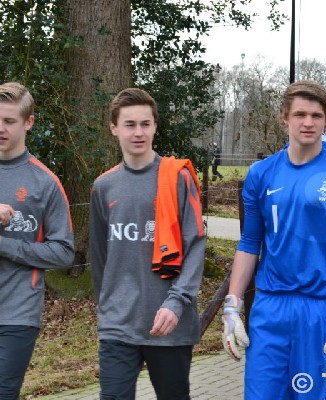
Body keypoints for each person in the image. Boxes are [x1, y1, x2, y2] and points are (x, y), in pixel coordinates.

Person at [221, 80, 326, 399]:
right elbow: (249, 243)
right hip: (269, 308)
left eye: (316, 115)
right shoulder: (261, 174)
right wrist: (232, 306)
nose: (308, 122)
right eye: (300, 114)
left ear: (325, 120)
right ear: (284, 117)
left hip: (323, 309)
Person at [89, 88, 206, 399]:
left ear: (155, 126)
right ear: (114, 127)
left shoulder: (177, 178)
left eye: (145, 124)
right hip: (118, 325)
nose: (138, 132)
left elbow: (195, 244)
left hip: (169, 322)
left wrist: (177, 301)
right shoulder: (103, 186)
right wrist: (107, 308)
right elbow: (100, 257)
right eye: (129, 124)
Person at [0, 82, 74, 399]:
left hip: (17, 313)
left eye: (9, 121)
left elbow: (63, 253)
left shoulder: (44, 182)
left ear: (28, 122)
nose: (0, 128)